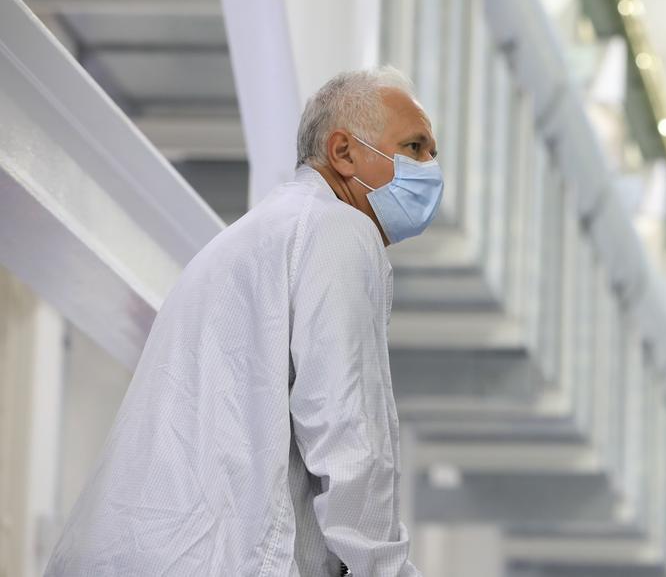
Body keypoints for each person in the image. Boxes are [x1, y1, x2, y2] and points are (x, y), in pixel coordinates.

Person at [46, 67, 440, 576]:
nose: (431, 167)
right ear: (343, 153)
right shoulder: (337, 230)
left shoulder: (257, 235)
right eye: (414, 147)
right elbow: (349, 434)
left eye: (432, 152)